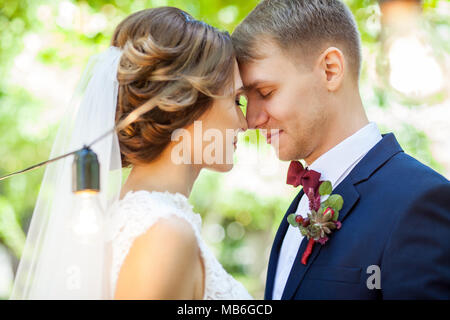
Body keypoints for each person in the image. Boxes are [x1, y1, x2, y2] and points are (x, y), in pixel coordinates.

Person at [11, 7, 251, 300]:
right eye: (237, 100)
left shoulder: (128, 220)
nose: (246, 122)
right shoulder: (165, 234)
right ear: (185, 103)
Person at [232, 0, 450, 299]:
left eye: (266, 93)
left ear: (331, 70)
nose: (251, 119)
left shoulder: (421, 202)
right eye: (245, 99)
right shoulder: (297, 209)